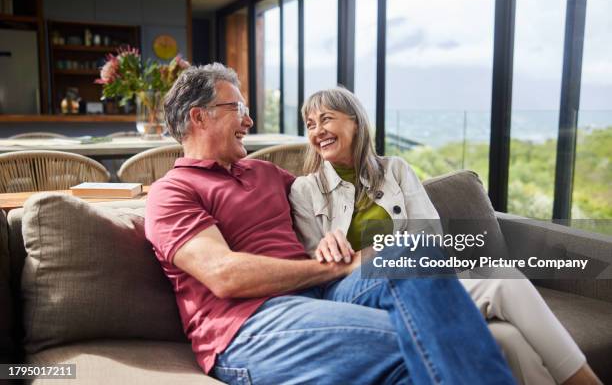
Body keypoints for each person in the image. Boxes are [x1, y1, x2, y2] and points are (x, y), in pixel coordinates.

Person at [145, 63, 515, 385]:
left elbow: (334, 196)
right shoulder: (172, 192)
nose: (249, 120)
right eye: (238, 108)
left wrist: (338, 233)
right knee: (426, 338)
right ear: (199, 117)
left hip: (324, 296)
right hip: (248, 326)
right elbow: (225, 275)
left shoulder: (264, 173)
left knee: (410, 252)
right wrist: (334, 265)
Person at [288, 86, 602, 385]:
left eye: (326, 119)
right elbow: (316, 268)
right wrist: (353, 254)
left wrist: (363, 254)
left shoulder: (394, 170)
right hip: (359, 295)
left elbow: (430, 238)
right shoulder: (305, 190)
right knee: (504, 279)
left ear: (355, 122)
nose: (317, 131)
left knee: (509, 339)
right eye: (310, 124)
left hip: (422, 280)